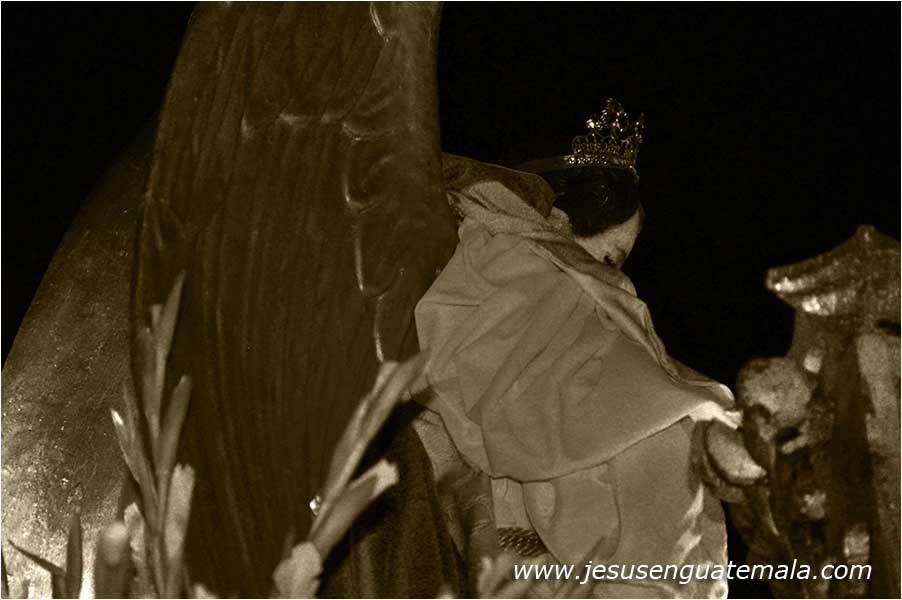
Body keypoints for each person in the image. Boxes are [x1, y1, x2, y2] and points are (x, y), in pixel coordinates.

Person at [414, 100, 737, 597]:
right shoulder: (538, 274)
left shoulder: (486, 261)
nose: (616, 280)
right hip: (555, 541)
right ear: (565, 222)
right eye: (610, 258)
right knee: (677, 418)